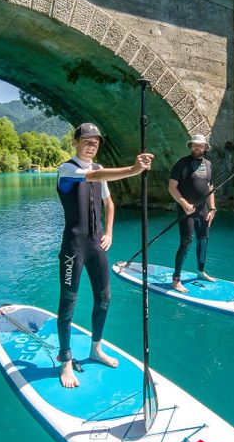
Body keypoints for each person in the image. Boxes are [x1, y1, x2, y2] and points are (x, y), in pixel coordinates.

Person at [55, 122, 153, 388]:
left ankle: (95, 349)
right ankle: (65, 361)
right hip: (74, 248)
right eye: (87, 141)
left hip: (96, 245)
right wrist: (134, 170)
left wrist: (108, 232)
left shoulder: (99, 169)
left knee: (104, 297)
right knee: (68, 303)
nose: (92, 145)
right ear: (75, 142)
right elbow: (92, 178)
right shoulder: (68, 169)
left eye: (96, 142)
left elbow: (109, 203)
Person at [168, 133, 216, 293]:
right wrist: (183, 203)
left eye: (200, 145)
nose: (197, 147)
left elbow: (210, 187)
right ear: (191, 146)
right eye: (195, 144)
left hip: (203, 211)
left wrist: (212, 208)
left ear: (205, 147)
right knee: (186, 242)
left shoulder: (209, 164)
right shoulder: (182, 163)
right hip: (186, 210)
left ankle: (201, 272)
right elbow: (172, 187)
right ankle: (176, 280)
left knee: (204, 241)